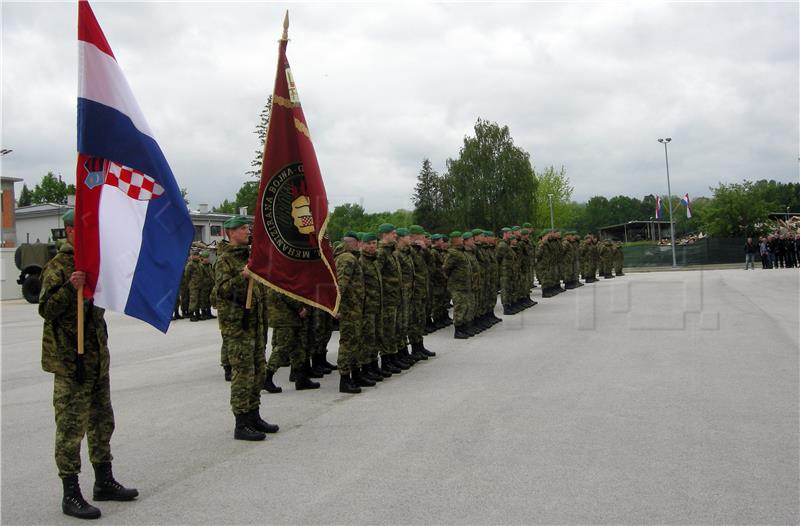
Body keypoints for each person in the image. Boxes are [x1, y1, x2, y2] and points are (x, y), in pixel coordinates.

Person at [39, 210, 138, 520]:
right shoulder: (57, 267)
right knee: (70, 428)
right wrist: (71, 287)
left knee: (101, 422)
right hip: (71, 362)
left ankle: (104, 480)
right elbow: (46, 309)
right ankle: (70, 493)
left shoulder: (93, 263)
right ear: (69, 231)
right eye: (81, 229)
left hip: (95, 358)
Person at [215, 215, 278, 440]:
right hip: (238, 327)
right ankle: (241, 423)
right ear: (230, 233)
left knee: (257, 370)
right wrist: (243, 277)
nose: (247, 231)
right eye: (242, 228)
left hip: (256, 324)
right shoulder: (225, 260)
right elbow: (221, 291)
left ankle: (254, 415)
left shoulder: (252, 257)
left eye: (247, 228)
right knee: (243, 374)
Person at [335, 231, 366, 393]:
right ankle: (344, 379)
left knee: (355, 342)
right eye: (358, 242)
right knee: (347, 343)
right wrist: (337, 307)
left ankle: (355, 375)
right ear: (352, 243)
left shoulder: (350, 257)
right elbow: (341, 284)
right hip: (349, 309)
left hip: (354, 308)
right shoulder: (347, 258)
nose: (360, 245)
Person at [443, 231, 473, 338]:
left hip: (465, 285)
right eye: (460, 238)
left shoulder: (461, 252)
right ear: (455, 239)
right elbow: (446, 269)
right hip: (457, 286)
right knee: (459, 307)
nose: (462, 239)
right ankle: (458, 330)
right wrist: (454, 279)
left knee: (465, 307)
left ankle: (464, 328)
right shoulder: (453, 253)